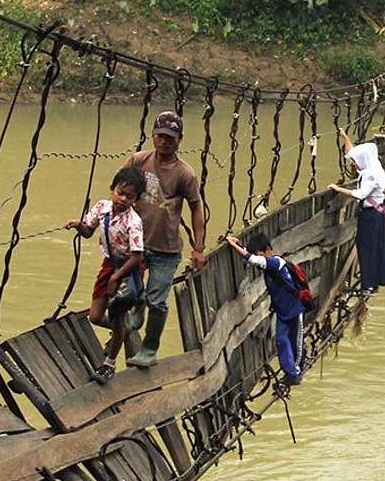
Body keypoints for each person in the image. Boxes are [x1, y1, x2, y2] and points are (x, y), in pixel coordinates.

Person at [122, 111, 206, 367]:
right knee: (129, 290)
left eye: (170, 137)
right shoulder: (139, 160)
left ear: (180, 139)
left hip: (166, 249)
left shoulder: (185, 174)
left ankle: (149, 349)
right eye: (160, 136)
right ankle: (137, 307)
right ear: (153, 135)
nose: (164, 141)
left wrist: (198, 249)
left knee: (157, 302)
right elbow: (119, 187)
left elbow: (196, 209)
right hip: (136, 243)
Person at [65, 166, 147, 384]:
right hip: (109, 264)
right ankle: (123, 330)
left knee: (117, 316)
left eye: (130, 197)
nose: (123, 199)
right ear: (112, 190)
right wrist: (78, 225)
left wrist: (115, 278)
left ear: (136, 200)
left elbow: (137, 256)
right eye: (120, 193)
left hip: (129, 269)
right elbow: (88, 231)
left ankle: (109, 364)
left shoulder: (134, 222)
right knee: (95, 316)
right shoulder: (102, 207)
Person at [225, 233, 304, 386]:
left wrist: (234, 245)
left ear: (268, 250)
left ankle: (296, 371)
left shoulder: (276, 262)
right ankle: (290, 373)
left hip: (295, 309)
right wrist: (238, 245)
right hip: (282, 312)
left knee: (296, 342)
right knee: (281, 340)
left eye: (261, 254)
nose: (259, 259)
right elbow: (252, 256)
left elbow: (253, 259)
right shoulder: (267, 264)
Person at [328, 132, 385, 296]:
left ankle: (368, 286)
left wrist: (338, 189)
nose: (354, 164)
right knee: (373, 248)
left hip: (371, 216)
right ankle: (372, 283)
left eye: (355, 161)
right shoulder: (374, 166)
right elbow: (352, 153)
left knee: (367, 249)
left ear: (363, 160)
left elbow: (360, 194)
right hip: (376, 213)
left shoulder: (371, 175)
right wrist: (344, 137)